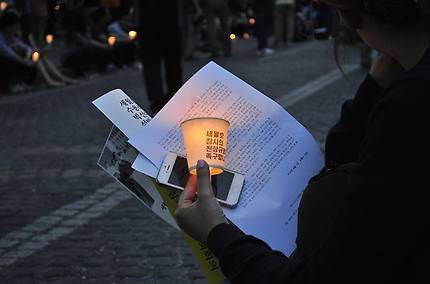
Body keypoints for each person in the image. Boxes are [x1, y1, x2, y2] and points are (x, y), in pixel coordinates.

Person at [175, 0, 430, 283]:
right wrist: (373, 87)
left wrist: (217, 233)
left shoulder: (412, 106)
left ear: (350, 18)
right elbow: (342, 159)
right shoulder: (406, 92)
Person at [137, 0, 183, 114]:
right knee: (171, 61)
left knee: (152, 63)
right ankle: (173, 96)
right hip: (167, 19)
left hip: (149, 19)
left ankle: (158, 98)